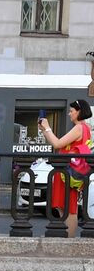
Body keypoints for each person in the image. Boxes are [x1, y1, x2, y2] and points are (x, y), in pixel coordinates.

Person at [38, 99, 93, 237]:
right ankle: (68, 237)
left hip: (68, 172)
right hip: (70, 171)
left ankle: (69, 240)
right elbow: (60, 144)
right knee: (65, 207)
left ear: (79, 112)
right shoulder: (85, 128)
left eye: (71, 111)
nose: (69, 114)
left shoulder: (79, 127)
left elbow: (57, 144)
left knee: (69, 209)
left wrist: (48, 127)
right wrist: (45, 130)